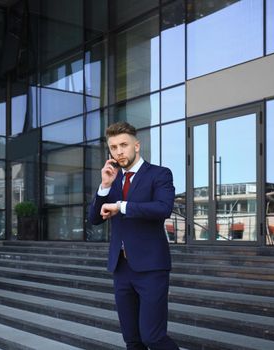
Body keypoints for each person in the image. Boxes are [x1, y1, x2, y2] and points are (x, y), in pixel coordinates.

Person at [88, 122, 179, 350]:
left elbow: (162, 208)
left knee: (153, 337)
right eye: (113, 147)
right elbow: (94, 218)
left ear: (136, 146)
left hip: (151, 267)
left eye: (124, 145)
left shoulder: (159, 174)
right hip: (121, 268)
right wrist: (104, 187)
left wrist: (122, 206)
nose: (119, 151)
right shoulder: (113, 179)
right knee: (132, 339)